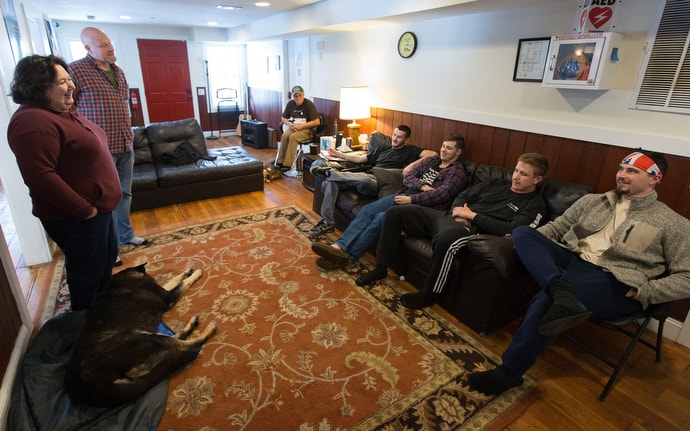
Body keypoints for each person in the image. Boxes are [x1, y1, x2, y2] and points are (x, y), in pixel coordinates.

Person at [467, 150, 690, 396]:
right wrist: (530, 249)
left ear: (654, 179)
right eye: (621, 168)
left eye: (632, 171)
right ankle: (558, 286)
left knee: (548, 300)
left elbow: (687, 277)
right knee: (523, 233)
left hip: (614, 280)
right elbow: (555, 228)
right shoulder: (593, 201)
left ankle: (509, 373)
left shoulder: (674, 224)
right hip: (571, 261)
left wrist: (645, 291)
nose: (621, 175)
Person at [356, 153, 550, 310]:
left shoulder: (535, 206)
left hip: (472, 230)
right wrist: (458, 211)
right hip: (449, 216)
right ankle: (380, 268)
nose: (515, 177)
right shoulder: (496, 184)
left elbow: (513, 231)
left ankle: (429, 294)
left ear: (538, 179)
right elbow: (464, 194)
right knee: (395, 213)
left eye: (523, 174)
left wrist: (472, 216)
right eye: (516, 170)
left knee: (448, 239)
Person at [7, 55, 122, 310]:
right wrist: (86, 210)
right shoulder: (33, 122)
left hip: (98, 212)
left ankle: (103, 318)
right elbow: (41, 178)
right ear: (39, 87)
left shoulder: (61, 112)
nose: (71, 85)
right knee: (87, 275)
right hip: (77, 218)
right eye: (62, 81)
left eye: (69, 79)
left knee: (103, 266)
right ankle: (84, 330)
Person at [311, 133, 468, 269]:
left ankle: (348, 256)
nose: (443, 150)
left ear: (458, 152)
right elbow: (408, 176)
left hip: (421, 207)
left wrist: (412, 198)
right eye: (443, 146)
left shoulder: (457, 172)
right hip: (404, 195)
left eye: (449, 148)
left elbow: (441, 195)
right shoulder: (431, 161)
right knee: (368, 210)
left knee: (381, 218)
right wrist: (422, 186)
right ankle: (338, 247)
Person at [70, 26, 147, 261]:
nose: (110, 47)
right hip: (100, 149)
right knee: (103, 200)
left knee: (125, 193)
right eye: (103, 45)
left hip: (125, 143)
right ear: (88, 48)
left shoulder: (118, 71)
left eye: (109, 43)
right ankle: (110, 249)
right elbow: (68, 109)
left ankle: (126, 236)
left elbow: (124, 105)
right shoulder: (75, 71)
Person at [309, 125, 437, 237]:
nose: (394, 139)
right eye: (394, 135)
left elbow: (433, 154)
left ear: (405, 139)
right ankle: (327, 221)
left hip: (378, 182)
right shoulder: (383, 149)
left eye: (399, 137)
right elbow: (360, 160)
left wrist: (412, 165)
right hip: (364, 175)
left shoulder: (410, 150)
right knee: (330, 182)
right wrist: (339, 154)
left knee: (363, 179)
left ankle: (331, 173)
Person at [276, 85, 320, 173]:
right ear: (293, 96)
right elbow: (283, 118)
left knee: (293, 137)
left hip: (307, 129)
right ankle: (280, 162)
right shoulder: (290, 104)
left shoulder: (309, 104)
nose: (298, 98)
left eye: (300, 95)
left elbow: (317, 121)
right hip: (294, 127)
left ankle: (287, 164)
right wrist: (290, 124)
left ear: (303, 95)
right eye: (296, 96)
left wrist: (301, 126)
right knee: (285, 136)